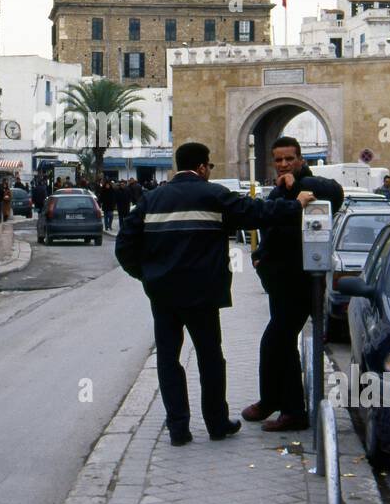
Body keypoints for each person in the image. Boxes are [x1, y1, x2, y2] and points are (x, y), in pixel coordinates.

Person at [115, 142, 310, 446]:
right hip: (203, 295)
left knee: (168, 360)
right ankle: (217, 423)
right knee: (210, 359)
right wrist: (295, 204)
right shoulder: (213, 195)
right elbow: (255, 212)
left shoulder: (151, 200)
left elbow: (124, 246)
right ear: (203, 167)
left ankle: (178, 429)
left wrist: (148, 276)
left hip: (164, 296)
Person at [245, 137, 345, 431]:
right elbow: (269, 226)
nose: (284, 164)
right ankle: (278, 403)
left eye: (289, 159)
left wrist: (298, 185)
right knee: (279, 343)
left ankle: (288, 409)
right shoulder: (277, 191)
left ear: (300, 159)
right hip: (278, 283)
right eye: (279, 160)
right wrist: (258, 256)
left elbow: (334, 193)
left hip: (299, 283)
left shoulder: (311, 185)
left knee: (275, 341)